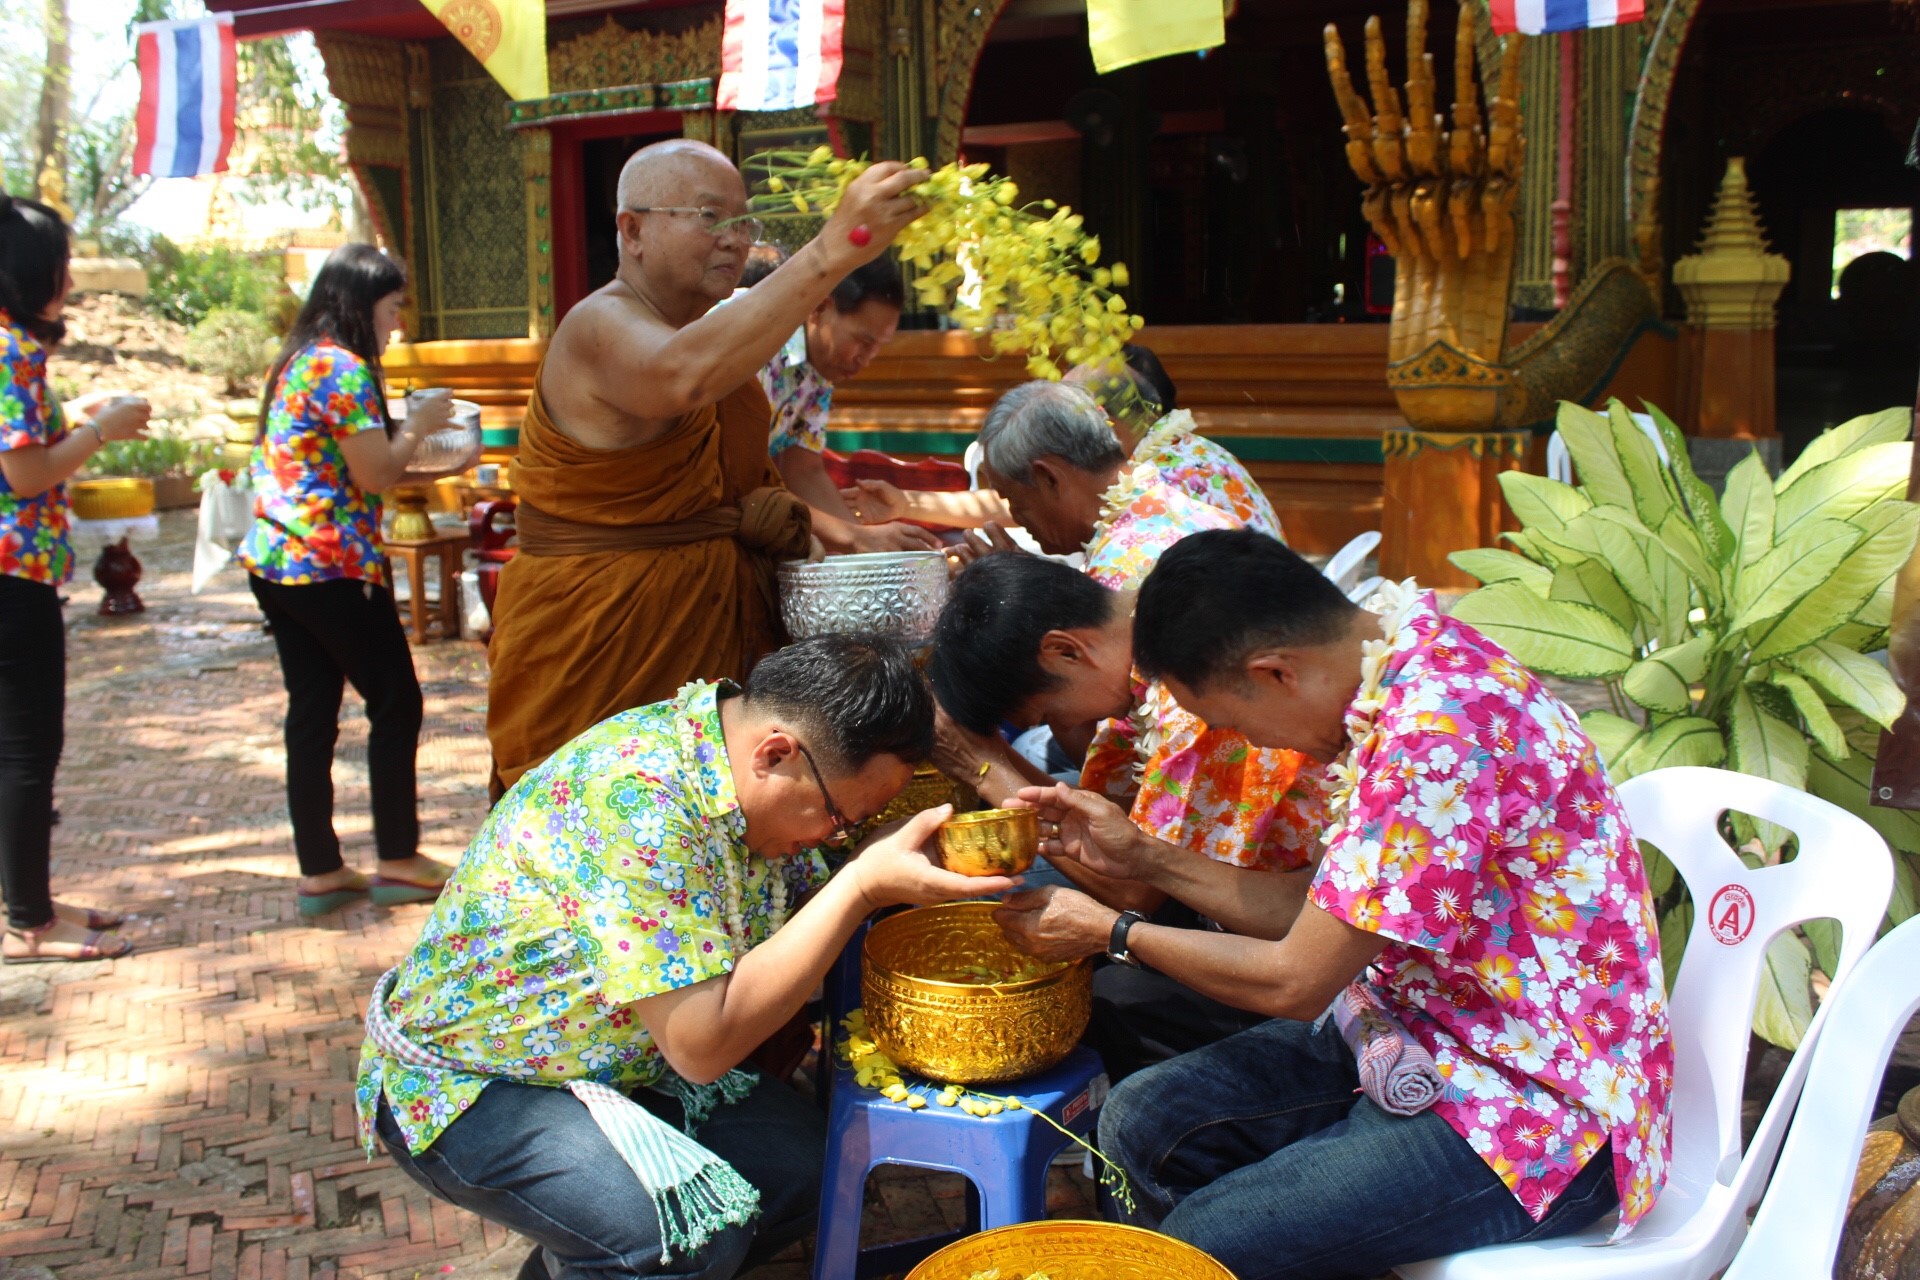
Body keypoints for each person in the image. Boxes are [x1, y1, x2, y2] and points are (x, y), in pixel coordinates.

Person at [997, 530, 1674, 1279]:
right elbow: (1306, 908)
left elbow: (1296, 981)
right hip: (1414, 1028)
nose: (1244, 742)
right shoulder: (1404, 664)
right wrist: (1142, 856)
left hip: (1538, 1109)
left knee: (1201, 1244)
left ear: (1277, 672)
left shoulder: (1438, 729)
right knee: (1142, 1124)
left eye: (1228, 722)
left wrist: (1112, 931)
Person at [358, 635, 1010, 1280]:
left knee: (812, 1172)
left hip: (622, 1063)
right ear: (776, 753)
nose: (830, 840)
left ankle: (582, 1256)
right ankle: (613, 1256)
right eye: (838, 818)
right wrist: (861, 883)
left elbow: (801, 898)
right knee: (686, 1244)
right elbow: (701, 1048)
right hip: (478, 1088)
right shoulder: (635, 804)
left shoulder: (722, 751)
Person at [485, 140, 928, 795]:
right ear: (632, 230)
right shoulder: (598, 324)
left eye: (743, 224)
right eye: (709, 218)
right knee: (591, 829)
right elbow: (682, 377)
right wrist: (835, 247)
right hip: (597, 634)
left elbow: (758, 488)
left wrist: (846, 543)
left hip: (702, 630)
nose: (734, 241)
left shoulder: (729, 351)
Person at [928, 553, 1314, 1077]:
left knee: (1111, 990)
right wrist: (988, 762)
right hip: (1263, 900)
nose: (1061, 726)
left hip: (1302, 940)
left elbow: (1139, 893)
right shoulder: (1139, 644)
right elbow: (1118, 837)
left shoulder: (1187, 691)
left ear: (1065, 651)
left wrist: (982, 767)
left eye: (1046, 715)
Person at [238, 243, 457, 917]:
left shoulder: (299, 360)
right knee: (396, 701)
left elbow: (343, 466)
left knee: (312, 712)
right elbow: (377, 473)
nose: (396, 323)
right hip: (328, 564)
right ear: (363, 303)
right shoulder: (342, 367)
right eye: (392, 308)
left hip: (277, 562)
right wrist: (419, 425)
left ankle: (322, 871)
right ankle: (397, 859)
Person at [0, 195, 150, 963]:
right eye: (60, 264)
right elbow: (24, 474)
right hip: (12, 576)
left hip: (18, 574)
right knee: (29, 748)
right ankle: (30, 921)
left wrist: (78, 416)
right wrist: (101, 429)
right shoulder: (11, 352)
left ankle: (28, 898)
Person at [840, 343, 1282, 541]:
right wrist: (906, 504)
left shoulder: (1167, 486)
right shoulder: (1149, 467)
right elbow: (1016, 502)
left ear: (1101, 422)